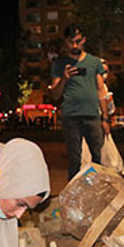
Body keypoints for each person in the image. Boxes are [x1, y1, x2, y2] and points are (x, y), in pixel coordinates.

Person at [50, 24, 111, 179]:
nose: (75, 45)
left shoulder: (94, 62)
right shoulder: (60, 63)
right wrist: (64, 78)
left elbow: (100, 90)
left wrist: (105, 118)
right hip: (71, 116)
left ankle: (96, 189)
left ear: (84, 40)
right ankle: (74, 191)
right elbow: (55, 94)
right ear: (66, 42)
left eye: (78, 41)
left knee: (97, 158)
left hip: (92, 115)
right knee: (74, 159)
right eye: (71, 42)